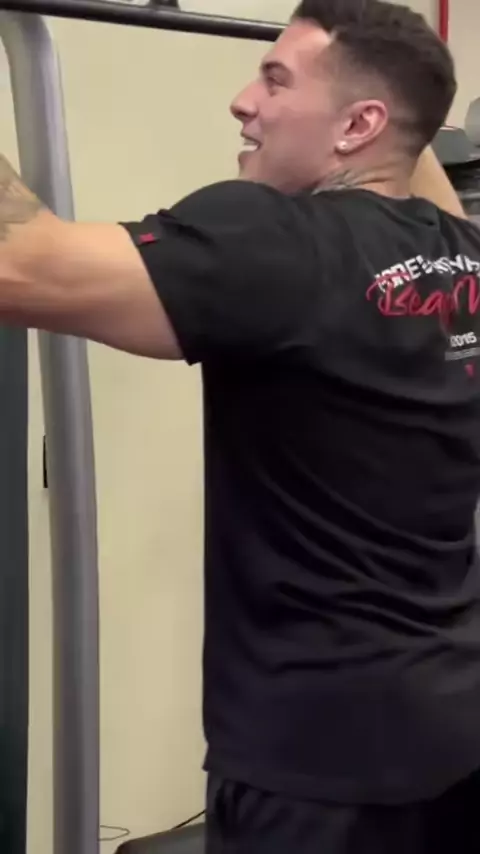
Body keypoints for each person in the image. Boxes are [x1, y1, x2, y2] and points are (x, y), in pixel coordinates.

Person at [1, 0, 480, 850]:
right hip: (450, 730)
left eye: (275, 79)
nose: (242, 100)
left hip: (315, 764)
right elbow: (406, 150)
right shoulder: (460, 252)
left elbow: (19, 263)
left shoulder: (276, 243)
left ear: (358, 125)